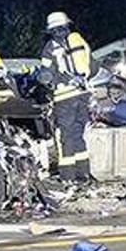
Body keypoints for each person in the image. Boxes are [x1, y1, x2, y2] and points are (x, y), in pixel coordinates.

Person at [40, 11, 94, 179]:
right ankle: (83, 174)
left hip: (64, 97)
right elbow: (93, 67)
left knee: (65, 137)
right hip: (83, 95)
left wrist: (51, 82)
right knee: (79, 135)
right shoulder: (79, 41)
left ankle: (68, 177)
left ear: (51, 30)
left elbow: (45, 74)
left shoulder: (50, 48)